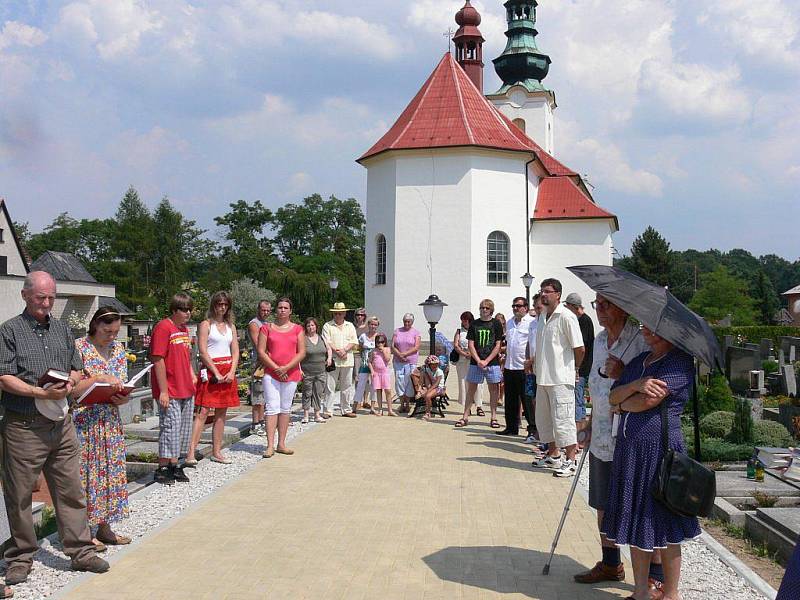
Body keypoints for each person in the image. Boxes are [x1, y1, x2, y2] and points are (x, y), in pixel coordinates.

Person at [0, 271, 109, 587]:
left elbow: (76, 367)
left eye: (51, 297)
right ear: (25, 295)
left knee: (71, 490)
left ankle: (81, 551)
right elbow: (4, 376)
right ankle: (21, 557)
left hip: (61, 424)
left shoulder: (62, 330)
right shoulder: (9, 332)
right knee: (19, 495)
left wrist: (72, 380)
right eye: (40, 298)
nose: (46, 304)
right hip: (23, 427)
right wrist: (40, 392)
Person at [602, 328, 700, 600]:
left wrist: (624, 405)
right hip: (631, 452)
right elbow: (613, 396)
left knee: (666, 523)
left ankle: (671, 593)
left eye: (655, 330)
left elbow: (649, 401)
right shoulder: (641, 361)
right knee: (637, 520)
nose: (648, 333)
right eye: (646, 328)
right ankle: (640, 591)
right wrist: (634, 384)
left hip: (660, 452)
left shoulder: (679, 362)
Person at [572, 295, 650, 588]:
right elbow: (595, 386)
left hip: (631, 436)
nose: (600, 310)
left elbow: (648, 388)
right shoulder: (600, 340)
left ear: (623, 307)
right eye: (597, 304)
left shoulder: (641, 342)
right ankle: (611, 563)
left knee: (638, 506)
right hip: (603, 435)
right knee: (602, 502)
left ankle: (653, 577)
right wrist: (590, 423)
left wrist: (625, 373)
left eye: (606, 304)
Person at [71, 308, 132, 551]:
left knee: (110, 472)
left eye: (116, 332)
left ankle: (105, 526)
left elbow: (123, 383)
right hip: (85, 420)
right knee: (87, 474)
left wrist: (123, 398)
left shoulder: (118, 350)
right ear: (95, 325)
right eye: (107, 331)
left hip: (110, 419)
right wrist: (101, 379)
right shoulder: (79, 347)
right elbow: (72, 387)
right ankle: (85, 531)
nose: (111, 336)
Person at [530, 278, 585, 477]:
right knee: (545, 421)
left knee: (563, 421)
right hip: (543, 378)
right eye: (542, 291)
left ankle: (571, 460)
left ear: (558, 295)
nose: (543, 294)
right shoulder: (543, 316)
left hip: (561, 379)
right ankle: (553, 455)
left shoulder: (567, 317)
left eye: (547, 291)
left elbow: (580, 348)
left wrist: (575, 369)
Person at [186, 291, 240, 466]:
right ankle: (191, 452)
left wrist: (232, 371)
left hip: (227, 369)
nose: (222, 307)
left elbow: (235, 351)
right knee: (202, 412)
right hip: (211, 370)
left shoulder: (231, 326)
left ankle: (217, 450)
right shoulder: (206, 324)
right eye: (219, 304)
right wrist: (216, 372)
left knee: (222, 413)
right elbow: (202, 351)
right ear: (214, 305)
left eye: (225, 304)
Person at [150, 292, 197, 485]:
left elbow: (186, 357)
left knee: (184, 429)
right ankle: (163, 468)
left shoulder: (184, 330)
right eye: (183, 310)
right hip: (170, 388)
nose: (187, 313)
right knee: (170, 428)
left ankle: (176, 464)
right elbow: (158, 359)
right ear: (174, 310)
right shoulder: (163, 327)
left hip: (186, 386)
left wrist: (192, 374)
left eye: (189, 310)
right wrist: (163, 390)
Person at [258, 297, 305, 457]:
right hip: (271, 374)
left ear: (290, 311)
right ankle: (270, 445)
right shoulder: (266, 328)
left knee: (285, 408)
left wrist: (286, 367)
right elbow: (261, 351)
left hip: (291, 373)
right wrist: (277, 368)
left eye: (286, 307)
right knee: (271, 408)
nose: (282, 310)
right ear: (275, 310)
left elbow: (301, 352)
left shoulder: (297, 329)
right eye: (280, 307)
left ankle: (282, 443)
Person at [455, 299, 504, 429]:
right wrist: (478, 360)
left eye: (486, 308)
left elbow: (498, 344)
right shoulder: (475, 324)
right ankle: (465, 416)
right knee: (471, 389)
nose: (484, 310)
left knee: (493, 390)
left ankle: (493, 417)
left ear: (491, 310)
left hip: (492, 362)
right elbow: (471, 343)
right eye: (482, 307)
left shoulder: (496, 324)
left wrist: (487, 361)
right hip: (475, 362)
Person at [498, 297, 534, 437]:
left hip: (523, 367)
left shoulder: (531, 323)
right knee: (510, 400)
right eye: (514, 306)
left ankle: (532, 429)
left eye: (518, 306)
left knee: (527, 400)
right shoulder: (510, 322)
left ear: (525, 307)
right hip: (510, 366)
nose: (515, 308)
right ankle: (511, 427)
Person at [564, 293, 595, 436]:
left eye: (568, 307)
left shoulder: (584, 321)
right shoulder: (581, 320)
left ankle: (578, 433)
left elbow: (580, 346)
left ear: (574, 307)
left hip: (581, 367)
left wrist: (577, 367)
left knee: (577, 399)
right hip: (580, 366)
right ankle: (579, 432)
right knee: (578, 399)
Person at [321, 302, 359, 417]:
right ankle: (327, 410)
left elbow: (354, 341)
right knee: (330, 386)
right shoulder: (327, 325)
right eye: (336, 313)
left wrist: (345, 350)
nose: (338, 315)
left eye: (340, 313)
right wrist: (338, 351)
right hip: (332, 360)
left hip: (347, 359)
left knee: (347, 386)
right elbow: (326, 341)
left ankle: (346, 409)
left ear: (344, 314)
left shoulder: (350, 325)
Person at [453, 312, 485, 416]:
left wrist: (472, 354)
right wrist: (463, 353)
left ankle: (479, 405)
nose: (464, 322)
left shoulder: (476, 329)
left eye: (466, 320)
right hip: (462, 360)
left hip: (474, 359)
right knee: (464, 383)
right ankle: (467, 406)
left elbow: (479, 344)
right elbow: (456, 345)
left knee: (478, 383)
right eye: (462, 320)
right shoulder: (459, 331)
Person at [247, 300, 271, 436]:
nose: (266, 312)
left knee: (265, 394)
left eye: (268, 310)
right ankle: (255, 424)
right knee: (258, 394)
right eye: (263, 310)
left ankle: (262, 421)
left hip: (267, 362)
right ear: (258, 309)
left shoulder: (267, 324)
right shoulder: (254, 324)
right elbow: (259, 346)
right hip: (259, 363)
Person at [300, 317, 331, 424]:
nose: (310, 327)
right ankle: (306, 415)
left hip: (321, 371)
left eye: (312, 325)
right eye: (308, 325)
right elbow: (298, 354)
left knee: (318, 393)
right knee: (307, 393)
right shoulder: (303, 339)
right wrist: (299, 369)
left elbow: (328, 348)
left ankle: (317, 414)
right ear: (306, 327)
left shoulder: (322, 338)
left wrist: (329, 358)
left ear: (316, 326)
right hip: (307, 371)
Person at [391, 313, 421, 413]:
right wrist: (399, 355)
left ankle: (408, 404)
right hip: (398, 361)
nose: (406, 323)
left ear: (412, 322)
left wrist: (405, 354)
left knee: (409, 383)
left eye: (408, 321)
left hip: (411, 361)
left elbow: (416, 347)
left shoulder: (416, 332)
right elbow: (393, 345)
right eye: (405, 321)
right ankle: (402, 404)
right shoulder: (397, 331)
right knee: (399, 382)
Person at [353, 316, 379, 415]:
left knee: (374, 386)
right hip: (364, 364)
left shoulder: (379, 336)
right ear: (368, 325)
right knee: (360, 385)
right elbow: (357, 348)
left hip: (375, 365)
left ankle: (372, 407)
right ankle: (355, 406)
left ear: (377, 326)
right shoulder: (363, 336)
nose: (373, 326)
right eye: (371, 324)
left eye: (375, 325)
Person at [410, 355, 444, 421]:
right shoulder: (427, 369)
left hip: (439, 387)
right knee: (423, 373)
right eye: (433, 364)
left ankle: (428, 413)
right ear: (429, 365)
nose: (435, 365)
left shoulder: (439, 371)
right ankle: (420, 390)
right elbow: (418, 372)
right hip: (431, 385)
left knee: (428, 396)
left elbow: (436, 384)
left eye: (436, 364)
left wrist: (428, 391)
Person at [369, 333, 395, 416]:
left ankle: (390, 410)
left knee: (388, 390)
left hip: (384, 372)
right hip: (376, 373)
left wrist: (383, 350)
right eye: (378, 342)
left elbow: (387, 359)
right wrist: (372, 371)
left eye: (382, 342)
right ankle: (380, 409)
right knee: (378, 390)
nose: (380, 344)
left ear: (385, 342)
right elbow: (369, 362)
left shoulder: (387, 349)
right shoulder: (374, 351)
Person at [352, 308, 369, 409]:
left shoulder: (368, 327)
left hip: (366, 354)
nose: (360, 316)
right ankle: (358, 400)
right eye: (358, 315)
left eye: (362, 315)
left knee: (366, 378)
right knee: (357, 378)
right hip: (356, 354)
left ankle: (366, 400)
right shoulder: (352, 326)